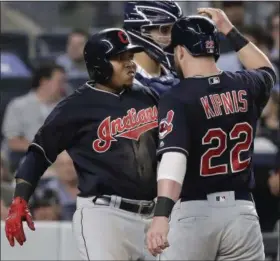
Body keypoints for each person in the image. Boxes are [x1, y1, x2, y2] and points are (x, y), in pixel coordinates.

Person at [5, 28, 158, 260]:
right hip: (105, 216)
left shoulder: (147, 96)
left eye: (130, 57)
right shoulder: (75, 107)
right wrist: (19, 199)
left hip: (153, 215)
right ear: (99, 65)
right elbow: (39, 153)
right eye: (120, 58)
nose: (130, 64)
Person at [146, 8, 277, 260]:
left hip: (195, 212)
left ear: (181, 51)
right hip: (242, 213)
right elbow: (266, 69)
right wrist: (230, 30)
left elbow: (174, 158)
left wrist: (162, 214)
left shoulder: (177, 97)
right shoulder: (245, 84)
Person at [123, 1, 183, 96]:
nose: (172, 39)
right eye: (164, 30)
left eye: (174, 30)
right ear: (140, 31)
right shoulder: (123, 84)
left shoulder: (179, 76)